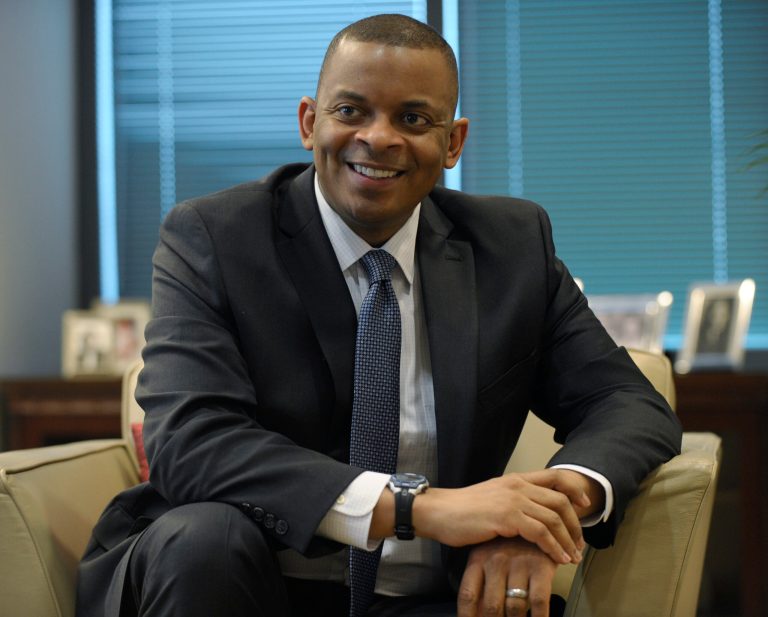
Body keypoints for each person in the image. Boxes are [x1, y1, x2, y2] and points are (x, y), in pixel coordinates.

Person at [76, 14, 681, 617]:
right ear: (309, 122)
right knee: (203, 539)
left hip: (437, 596)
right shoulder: (216, 237)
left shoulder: (511, 246)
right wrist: (420, 508)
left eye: (413, 119)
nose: (379, 137)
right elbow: (192, 442)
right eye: (351, 111)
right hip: (246, 585)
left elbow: (625, 403)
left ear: (454, 143)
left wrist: (539, 513)